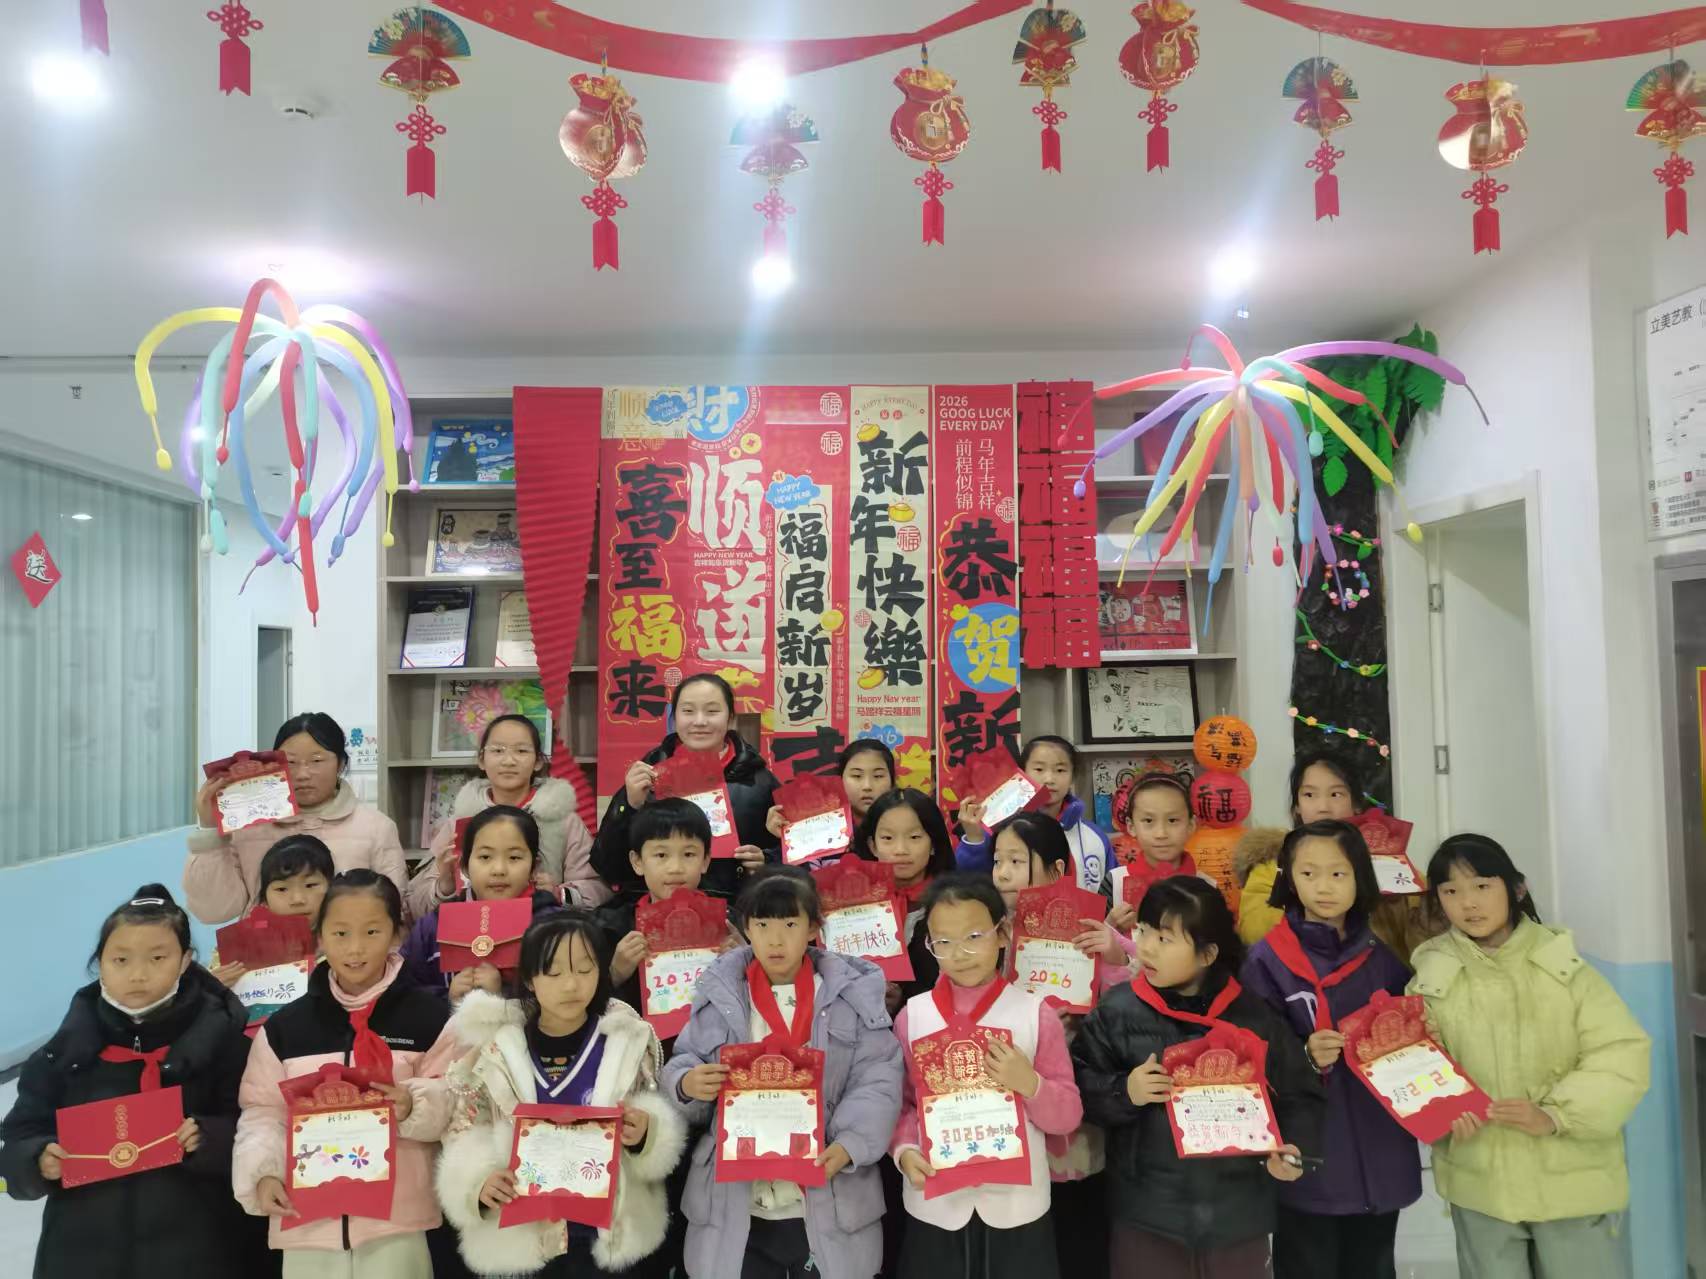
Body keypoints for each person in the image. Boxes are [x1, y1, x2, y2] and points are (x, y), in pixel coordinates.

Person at [1408, 835, 1651, 1279]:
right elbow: (1415, 1063)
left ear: (1516, 889)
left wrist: (1556, 1115)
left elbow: (1620, 1055)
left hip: (1570, 1182)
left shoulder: (1565, 969)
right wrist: (1441, 1112)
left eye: (1482, 886)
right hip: (1481, 1183)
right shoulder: (1430, 975)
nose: (1468, 903)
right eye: (1451, 891)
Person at [0, 885, 262, 1279]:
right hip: (82, 1258)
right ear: (100, 963)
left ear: (186, 961)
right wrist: (36, 1160)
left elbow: (260, 1130)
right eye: (120, 960)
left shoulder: (224, 1046)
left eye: (157, 958)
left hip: (201, 1255)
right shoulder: (64, 1055)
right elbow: (17, 1140)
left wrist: (210, 1137)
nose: (137, 975)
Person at [1071, 877, 1324, 1277]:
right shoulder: (1117, 1012)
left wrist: (1294, 1151)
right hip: (1147, 1214)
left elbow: (1299, 1094)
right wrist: (1125, 1091)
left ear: (1207, 954)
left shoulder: (1254, 1016)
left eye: (1164, 938)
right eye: (1143, 931)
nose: (1146, 948)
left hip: (1238, 1215)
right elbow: (1080, 1087)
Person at [662, 867, 904, 1279]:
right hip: (737, 1198)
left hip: (826, 1187)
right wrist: (687, 1084)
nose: (776, 939)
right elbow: (684, 1059)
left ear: (813, 928)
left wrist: (849, 1145)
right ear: (746, 929)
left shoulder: (850, 996)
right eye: (762, 925)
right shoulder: (721, 993)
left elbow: (877, 1077)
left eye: (790, 924)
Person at [233, 870, 460, 1276]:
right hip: (305, 1218)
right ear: (320, 936)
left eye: (372, 932)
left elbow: (459, 1100)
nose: (355, 948)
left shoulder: (430, 1018)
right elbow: (263, 1111)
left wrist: (413, 1104)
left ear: (396, 934)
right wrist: (264, 1174)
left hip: (397, 1221)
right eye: (340, 933)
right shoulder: (286, 1028)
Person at [437, 912, 687, 1277]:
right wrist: (478, 1180)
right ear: (529, 978)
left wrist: (646, 1133)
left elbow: (650, 1108)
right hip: (524, 1234)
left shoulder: (625, 1039)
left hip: (608, 1231)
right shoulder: (496, 1049)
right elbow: (467, 1125)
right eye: (553, 973)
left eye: (584, 969)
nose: (571, 985)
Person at [1240, 821, 1420, 1278]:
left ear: (1361, 877)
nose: (1323, 887)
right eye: (1308, 873)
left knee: (1373, 1264)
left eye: (1338, 874)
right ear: (1289, 879)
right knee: (1307, 1263)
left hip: (1379, 1149)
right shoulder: (1266, 961)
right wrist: (1303, 1055)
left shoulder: (1384, 956)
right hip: (1309, 1152)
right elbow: (1247, 1059)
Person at [891, 873, 1084, 1279]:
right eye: (943, 942)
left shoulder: (1034, 1014)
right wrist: (905, 1150)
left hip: (1017, 1205)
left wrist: (1029, 1083)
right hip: (936, 1203)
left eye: (974, 936)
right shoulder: (913, 1016)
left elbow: (1067, 1116)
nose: (960, 953)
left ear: (1003, 934)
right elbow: (904, 1104)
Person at [185, 712, 408, 925]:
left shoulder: (376, 828)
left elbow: (393, 911)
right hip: (265, 949)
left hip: (346, 951)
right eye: (290, 762)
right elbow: (213, 911)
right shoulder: (247, 827)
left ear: (340, 763)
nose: (303, 774)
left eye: (317, 761)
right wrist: (209, 832)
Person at [591, 674, 780, 899]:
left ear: (730, 718)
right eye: (688, 711)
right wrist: (629, 805)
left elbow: (800, 858)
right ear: (674, 717)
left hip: (734, 907)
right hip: (656, 908)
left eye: (712, 711)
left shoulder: (757, 780)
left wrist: (766, 861)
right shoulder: (648, 775)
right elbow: (607, 866)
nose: (699, 721)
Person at [405, 713, 603, 920]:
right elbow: (414, 905)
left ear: (537, 761)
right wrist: (443, 886)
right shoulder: (461, 820)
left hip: (542, 929)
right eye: (498, 750)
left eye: (521, 751)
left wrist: (558, 893)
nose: (509, 761)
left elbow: (597, 888)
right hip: (472, 929)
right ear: (481, 760)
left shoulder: (562, 819)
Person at [399, 806, 565, 1001]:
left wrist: (504, 994)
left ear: (533, 867)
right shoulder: (432, 927)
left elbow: (569, 997)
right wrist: (447, 998)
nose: (499, 870)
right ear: (464, 866)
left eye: (514, 857)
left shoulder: (553, 928)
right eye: (485, 857)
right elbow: (403, 994)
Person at [594, 797, 722, 1018]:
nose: (675, 868)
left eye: (689, 854)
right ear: (637, 862)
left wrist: (745, 959)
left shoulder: (728, 923)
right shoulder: (611, 929)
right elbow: (587, 1009)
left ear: (705, 861)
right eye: (661, 855)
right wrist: (615, 974)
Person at [953, 737, 1114, 892]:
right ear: (1022, 773)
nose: (1049, 779)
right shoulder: (1000, 831)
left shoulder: (1094, 837)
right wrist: (974, 840)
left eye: (1060, 770)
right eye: (1039, 769)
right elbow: (973, 885)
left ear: (1072, 777)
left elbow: (1112, 889)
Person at [209, 835, 334, 1031]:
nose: (298, 899)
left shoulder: (346, 941)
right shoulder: (235, 949)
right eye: (282, 889)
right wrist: (210, 990)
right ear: (264, 899)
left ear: (332, 888)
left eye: (310, 885)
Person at [1107, 772, 1200, 934]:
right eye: (1148, 821)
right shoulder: (1114, 882)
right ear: (1131, 826)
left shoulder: (1206, 886)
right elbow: (1087, 943)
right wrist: (1110, 926)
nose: (1161, 833)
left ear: (1191, 825)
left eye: (1172, 820)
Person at [764, 738, 898, 846]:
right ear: (840, 780)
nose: (867, 786)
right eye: (857, 776)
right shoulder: (818, 825)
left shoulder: (905, 822)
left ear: (892, 781)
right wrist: (784, 837)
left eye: (878, 776)